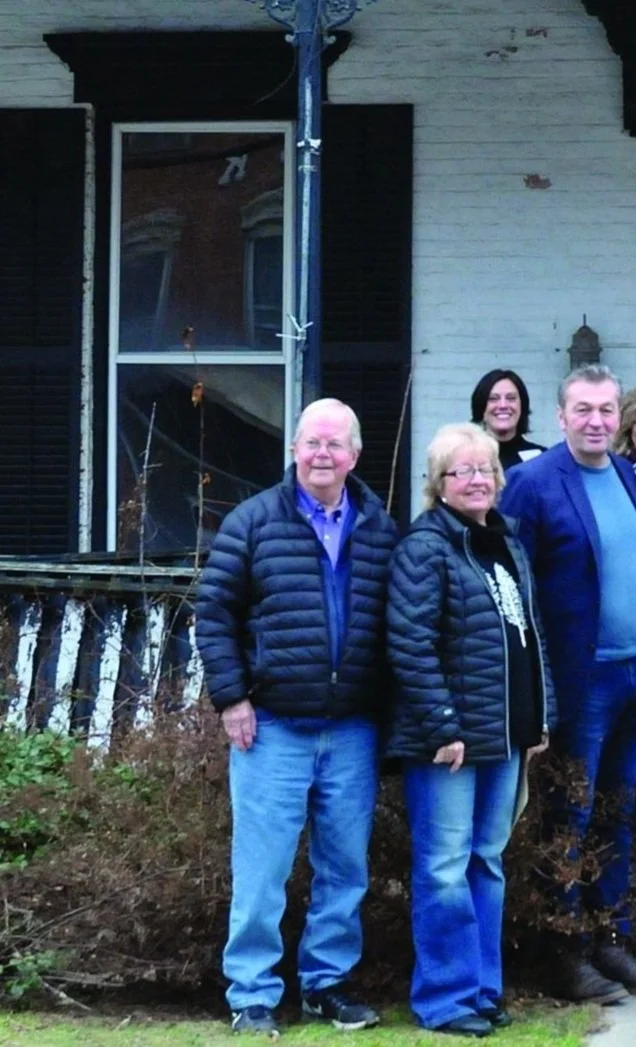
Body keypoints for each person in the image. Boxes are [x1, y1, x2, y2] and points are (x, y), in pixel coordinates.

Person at [196, 398, 398, 1038]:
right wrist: (231, 698)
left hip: (352, 729)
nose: (322, 455)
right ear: (294, 449)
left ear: (354, 456)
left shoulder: (378, 527)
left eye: (335, 445)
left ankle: (326, 985)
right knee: (263, 868)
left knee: (345, 868)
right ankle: (251, 994)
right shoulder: (252, 522)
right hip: (272, 726)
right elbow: (213, 615)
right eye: (312, 443)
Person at [496, 365, 636, 1003]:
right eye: (584, 410)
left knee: (615, 817)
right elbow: (512, 590)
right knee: (566, 820)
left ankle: (611, 941)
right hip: (578, 682)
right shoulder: (531, 484)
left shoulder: (625, 474)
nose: (597, 420)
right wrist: (535, 691)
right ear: (560, 415)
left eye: (607, 409)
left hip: (633, 674)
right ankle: (564, 952)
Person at [386, 423, 555, 1037]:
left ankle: (483, 988)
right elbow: (410, 645)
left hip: (505, 736)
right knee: (443, 868)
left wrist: (540, 716)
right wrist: (443, 725)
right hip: (450, 743)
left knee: (486, 862)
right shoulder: (424, 548)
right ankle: (444, 999)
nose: (478, 479)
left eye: (486, 469)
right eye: (462, 471)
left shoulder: (504, 541)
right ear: (439, 484)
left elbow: (529, 637)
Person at [471, 368, 546, 469]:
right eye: (493, 398)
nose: (503, 405)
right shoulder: (465, 456)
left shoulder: (540, 458)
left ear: (522, 405)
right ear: (481, 407)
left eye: (511, 398)